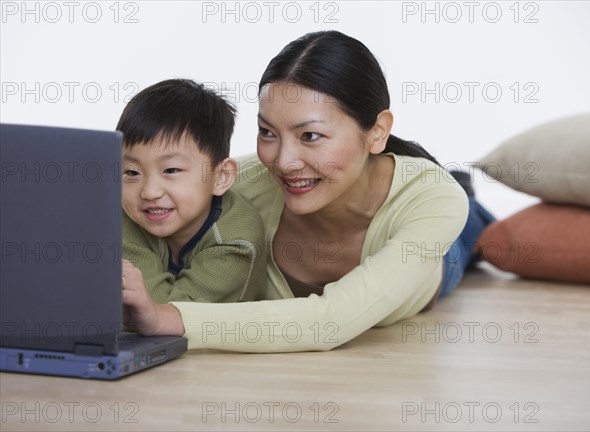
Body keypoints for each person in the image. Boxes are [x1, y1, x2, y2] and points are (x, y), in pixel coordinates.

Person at [121, 31, 495, 352]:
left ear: (377, 131)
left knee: (470, 232)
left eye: (310, 136)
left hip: (439, 261)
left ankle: (469, 198)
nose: (283, 162)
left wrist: (168, 319)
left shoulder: (430, 199)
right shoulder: (238, 183)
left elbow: (330, 321)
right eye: (268, 132)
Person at [117, 79, 266, 304]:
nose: (149, 192)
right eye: (131, 172)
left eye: (171, 169)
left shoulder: (236, 240)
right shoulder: (125, 219)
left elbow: (169, 318)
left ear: (220, 176)